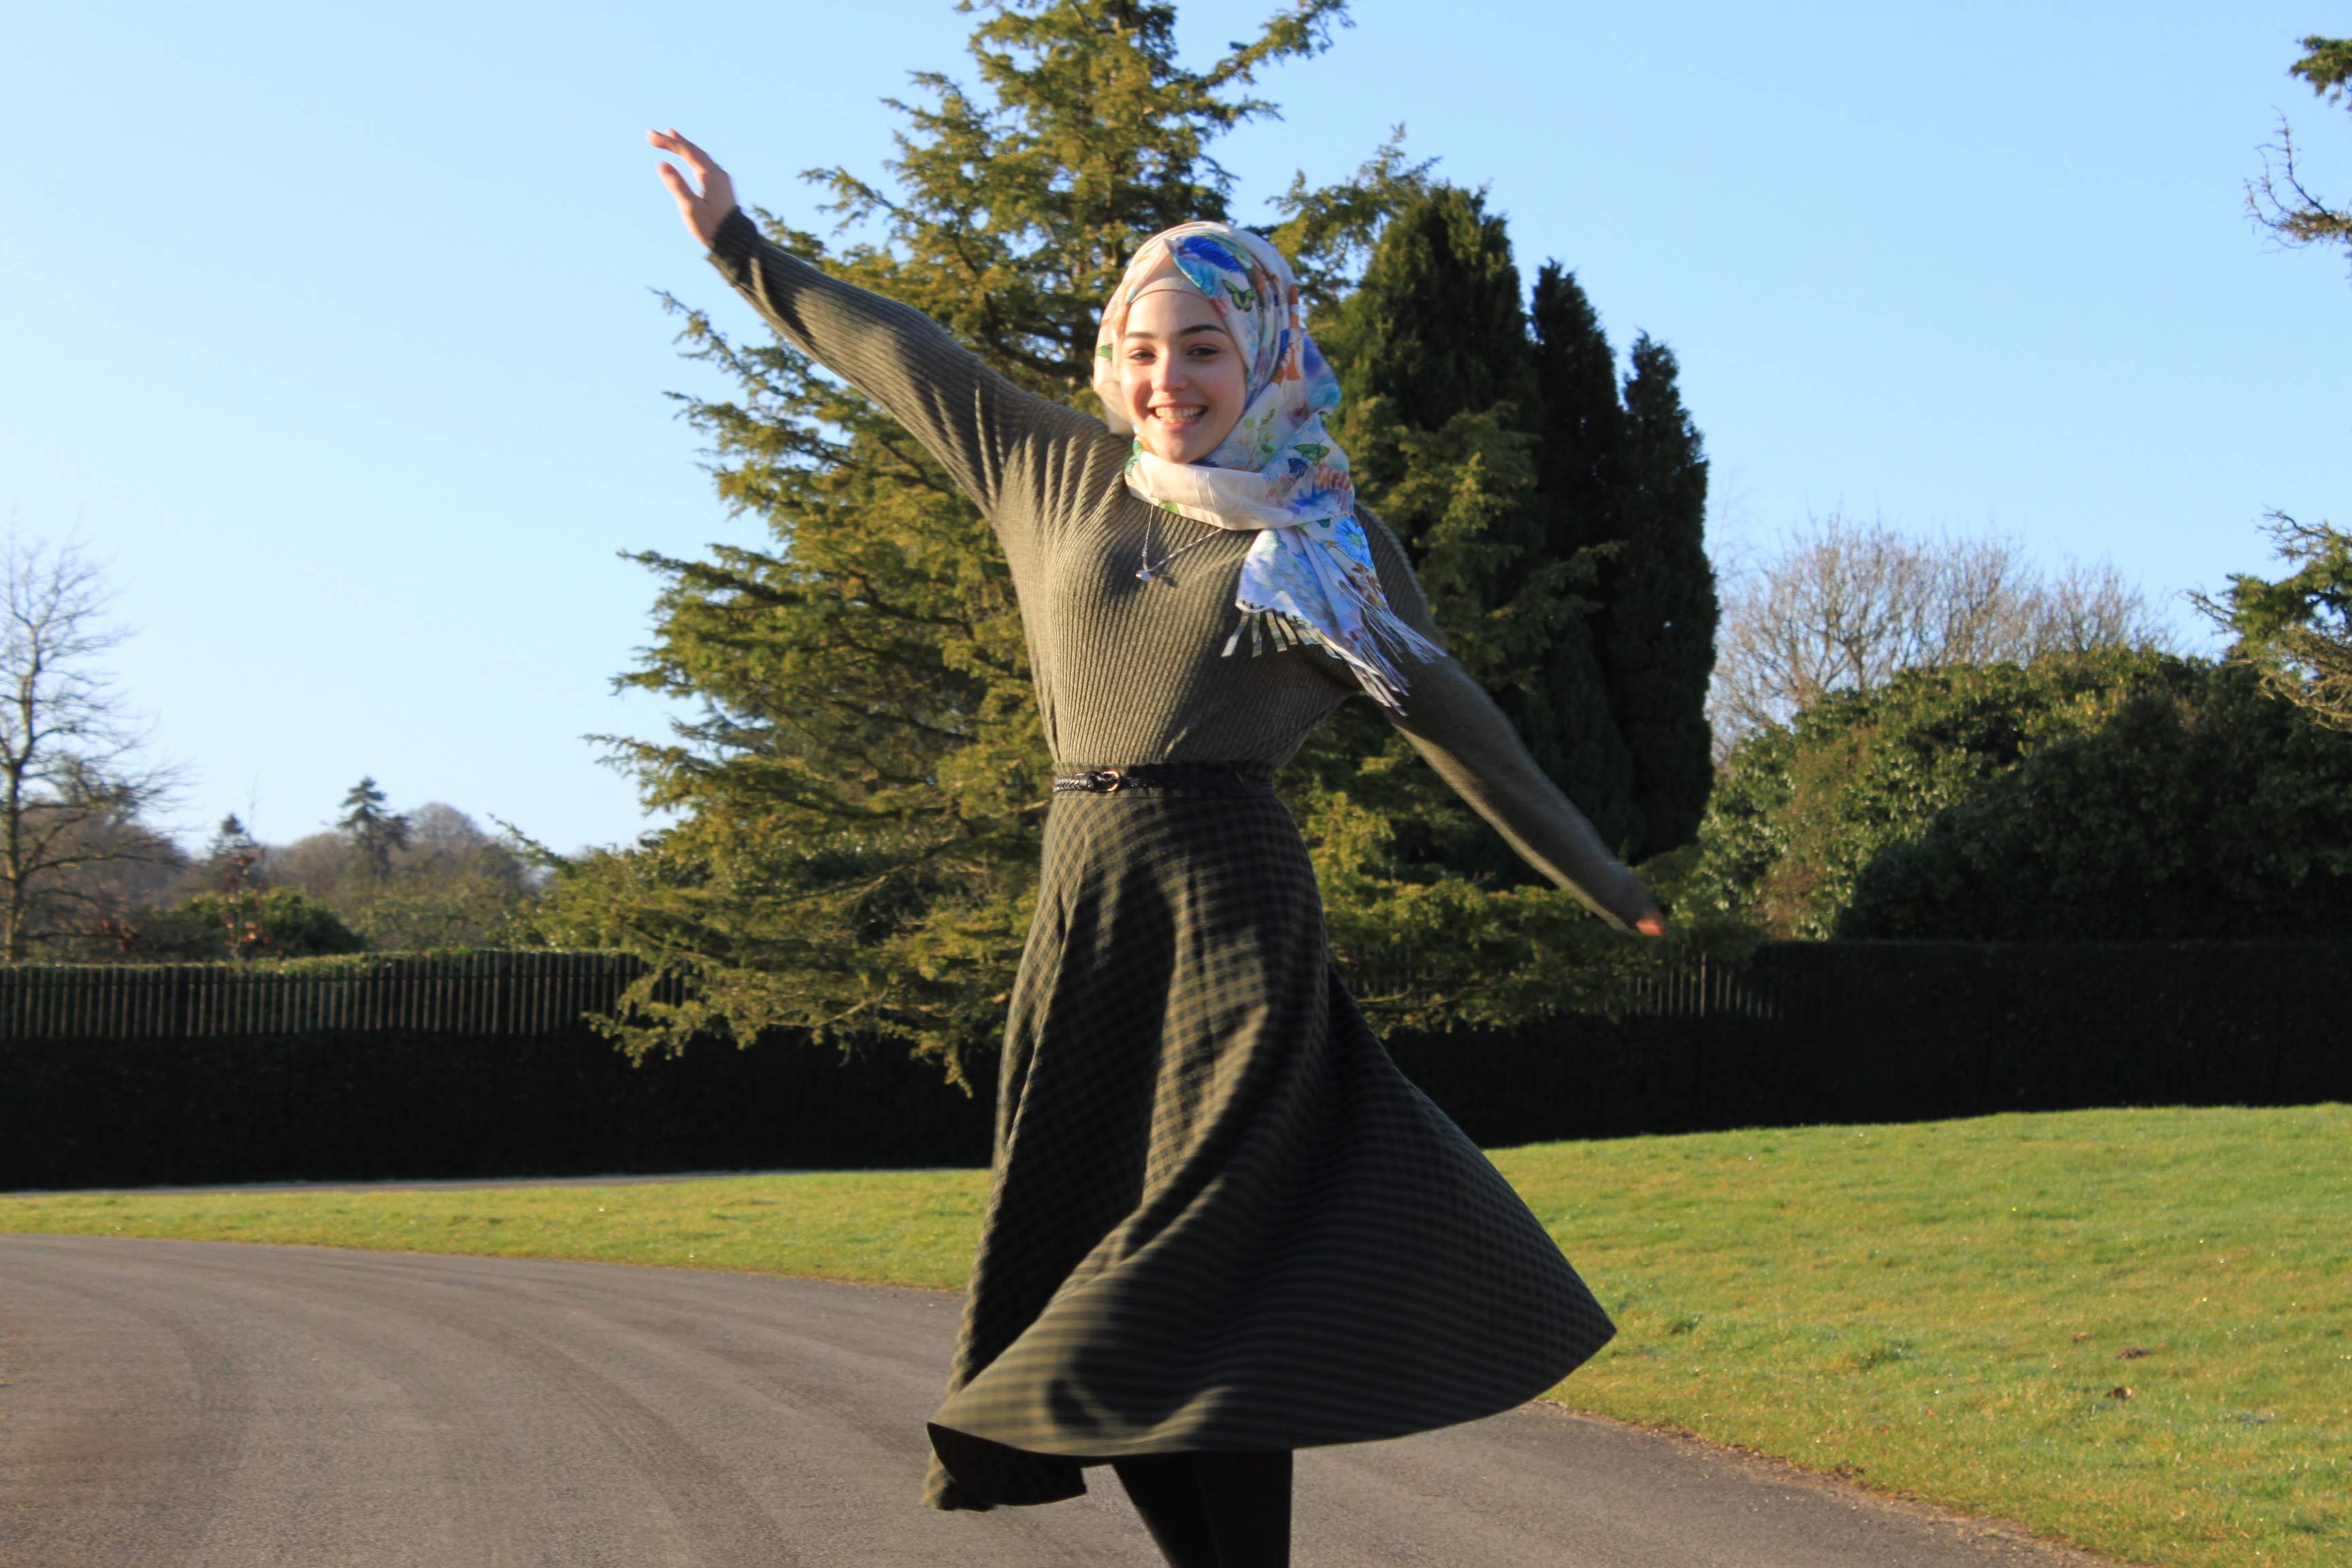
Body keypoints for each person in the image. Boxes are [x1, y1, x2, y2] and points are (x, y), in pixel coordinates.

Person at [650, 126, 1666, 1568]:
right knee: (1082, 1276)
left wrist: (1605, 883)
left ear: (1261, 358)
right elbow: (904, 356)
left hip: (1233, 916)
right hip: (1089, 911)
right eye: (1142, 349)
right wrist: (743, 250)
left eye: (1201, 351)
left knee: (1213, 1277)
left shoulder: (1320, 544)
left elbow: (1458, 722)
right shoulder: (1054, 476)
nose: (1166, 381)